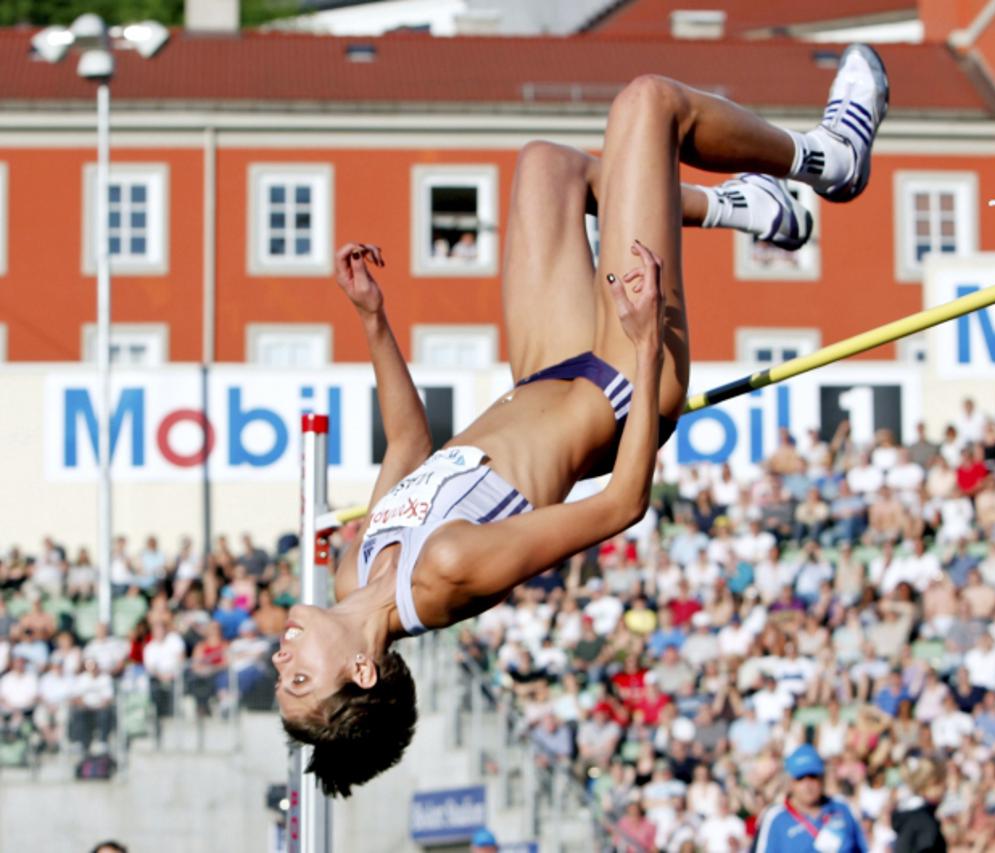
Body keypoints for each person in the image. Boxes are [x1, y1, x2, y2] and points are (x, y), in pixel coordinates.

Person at [276, 46, 890, 799]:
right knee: (648, 103)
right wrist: (642, 349)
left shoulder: (353, 569)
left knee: (548, 168)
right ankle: (830, 159)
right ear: (362, 671)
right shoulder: (444, 576)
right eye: (301, 677)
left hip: (551, 367)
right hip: (625, 379)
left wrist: (374, 320)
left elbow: (408, 442)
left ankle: (747, 208)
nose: (282, 659)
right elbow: (620, 504)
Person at [753, 744, 868, 851]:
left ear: (822, 778)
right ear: (790, 782)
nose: (807, 785)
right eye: (800, 778)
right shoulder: (775, 818)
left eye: (813, 777)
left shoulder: (843, 808)